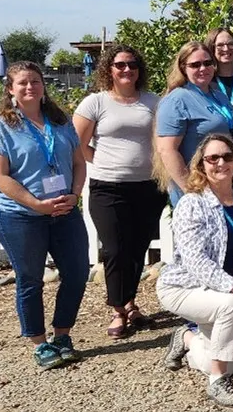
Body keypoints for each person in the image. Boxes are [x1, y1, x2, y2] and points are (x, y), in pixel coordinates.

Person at [0, 61, 89, 369]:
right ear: (11, 90)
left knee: (77, 273)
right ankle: (39, 343)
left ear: (43, 86)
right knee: (30, 279)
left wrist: (75, 193)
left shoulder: (60, 121)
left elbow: (79, 162)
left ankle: (62, 335)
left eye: (35, 82)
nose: (30, 87)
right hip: (20, 216)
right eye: (22, 83)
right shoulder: (0, 127)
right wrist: (35, 204)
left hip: (65, 212)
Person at [157, 135, 233, 407]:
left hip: (221, 291)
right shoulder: (192, 204)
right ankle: (218, 384)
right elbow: (196, 261)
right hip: (184, 287)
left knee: (225, 362)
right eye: (212, 158)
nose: (221, 163)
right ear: (201, 165)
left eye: (228, 157)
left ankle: (186, 338)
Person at [73, 45, 166, 339]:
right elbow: (78, 144)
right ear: (109, 69)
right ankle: (117, 310)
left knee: (137, 249)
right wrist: (103, 162)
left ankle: (131, 303)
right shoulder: (95, 103)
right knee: (115, 249)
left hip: (148, 188)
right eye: (120, 65)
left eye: (133, 65)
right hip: (108, 188)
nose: (127, 70)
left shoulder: (153, 102)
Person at [155, 41, 233, 205]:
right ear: (184, 68)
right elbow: (166, 150)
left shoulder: (219, 96)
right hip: (198, 192)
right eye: (195, 65)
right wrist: (191, 192)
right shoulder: (177, 100)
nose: (203, 68)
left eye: (208, 63)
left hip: (226, 186)